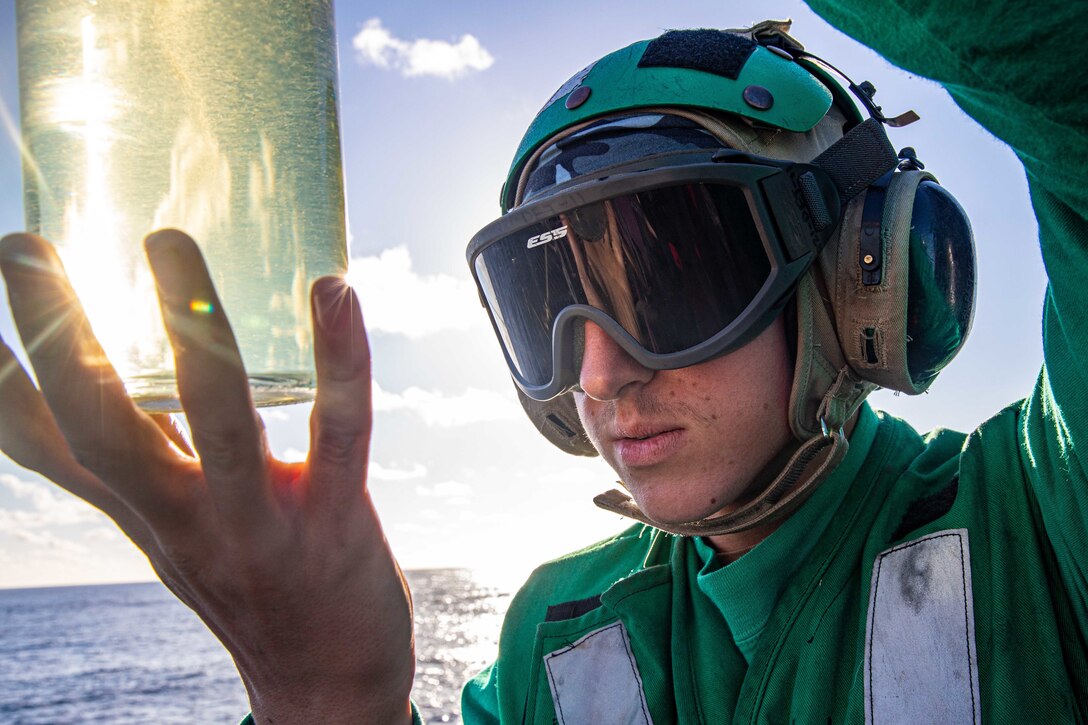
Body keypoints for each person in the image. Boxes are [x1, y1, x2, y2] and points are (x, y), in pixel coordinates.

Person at [0, 1, 1084, 723]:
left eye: (662, 279)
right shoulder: (552, 635)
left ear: (862, 276)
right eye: (547, 303)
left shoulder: (1038, 519)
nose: (598, 372)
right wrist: (321, 694)